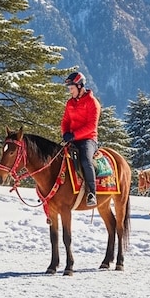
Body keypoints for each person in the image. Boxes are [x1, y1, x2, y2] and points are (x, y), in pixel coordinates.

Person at [60, 71, 101, 207]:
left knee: (85, 160)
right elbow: (65, 121)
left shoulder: (92, 103)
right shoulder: (70, 103)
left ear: (80, 86)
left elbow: (91, 126)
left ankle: (91, 193)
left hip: (88, 140)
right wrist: (65, 133)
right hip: (72, 138)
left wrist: (74, 135)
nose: (70, 91)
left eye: (72, 88)